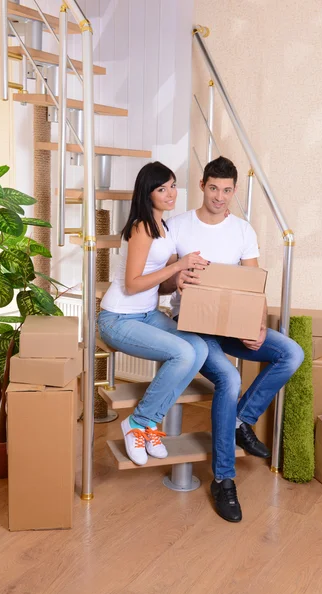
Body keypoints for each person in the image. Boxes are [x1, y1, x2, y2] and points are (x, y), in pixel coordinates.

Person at [162, 156, 304, 522]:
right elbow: (161, 283)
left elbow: (255, 286)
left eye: (227, 190)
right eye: (214, 188)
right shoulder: (177, 226)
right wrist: (176, 277)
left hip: (232, 324)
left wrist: (258, 325)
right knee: (230, 378)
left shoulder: (243, 230)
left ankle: (242, 420)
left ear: (234, 190)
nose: (220, 197)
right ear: (202, 185)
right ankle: (224, 480)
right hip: (192, 324)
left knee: (290, 352)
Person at [98, 161, 209, 466]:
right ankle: (137, 422)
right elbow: (133, 285)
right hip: (118, 318)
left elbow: (160, 287)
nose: (170, 193)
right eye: (162, 188)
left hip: (147, 314)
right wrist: (176, 266)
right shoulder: (141, 228)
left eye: (172, 185)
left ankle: (147, 424)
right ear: (148, 194)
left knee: (198, 348)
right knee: (183, 354)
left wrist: (182, 277)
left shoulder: (166, 228)